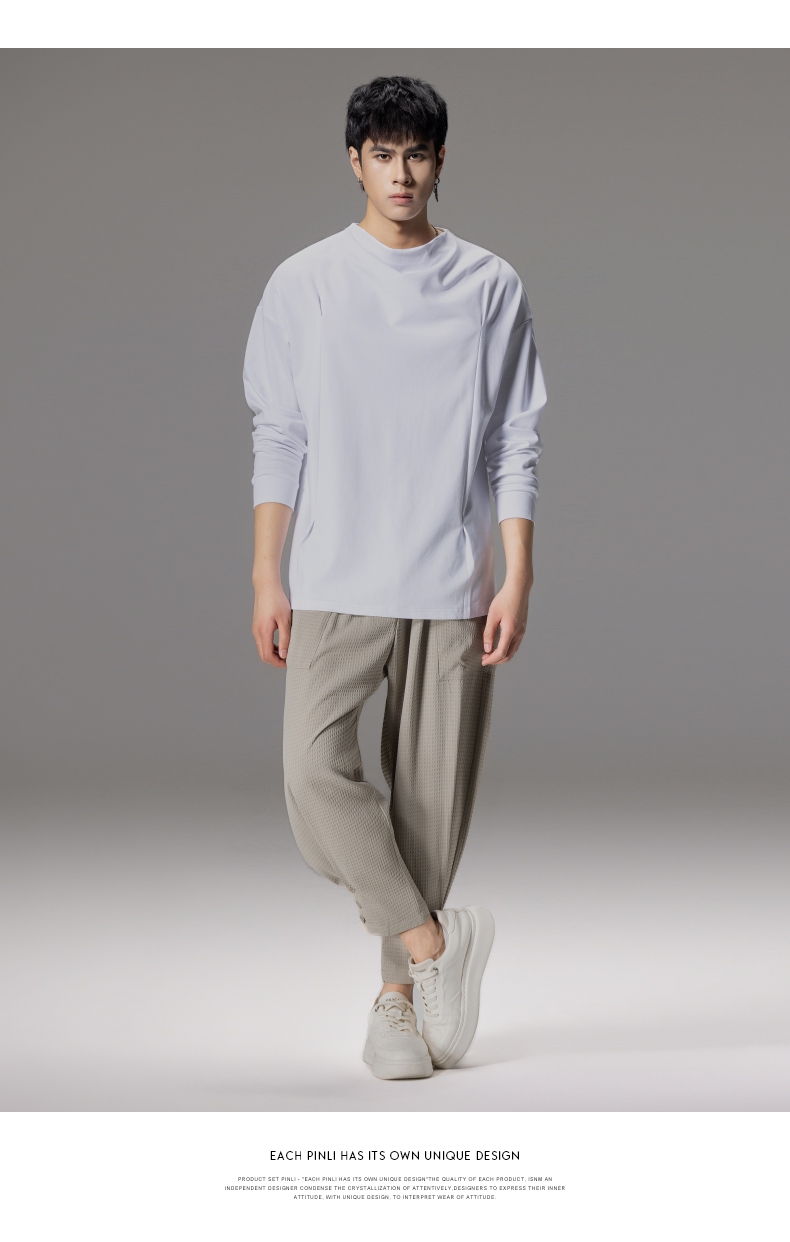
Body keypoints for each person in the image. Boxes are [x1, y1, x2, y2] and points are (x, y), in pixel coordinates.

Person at [244, 75, 547, 1080]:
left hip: (451, 583)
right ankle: (433, 944)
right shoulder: (306, 283)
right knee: (312, 780)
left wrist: (516, 573)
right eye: (383, 153)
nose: (401, 172)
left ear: (440, 160)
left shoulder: (489, 284)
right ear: (355, 161)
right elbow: (279, 435)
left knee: (424, 816)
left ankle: (396, 1007)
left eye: (417, 153)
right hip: (335, 578)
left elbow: (513, 441)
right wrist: (267, 574)